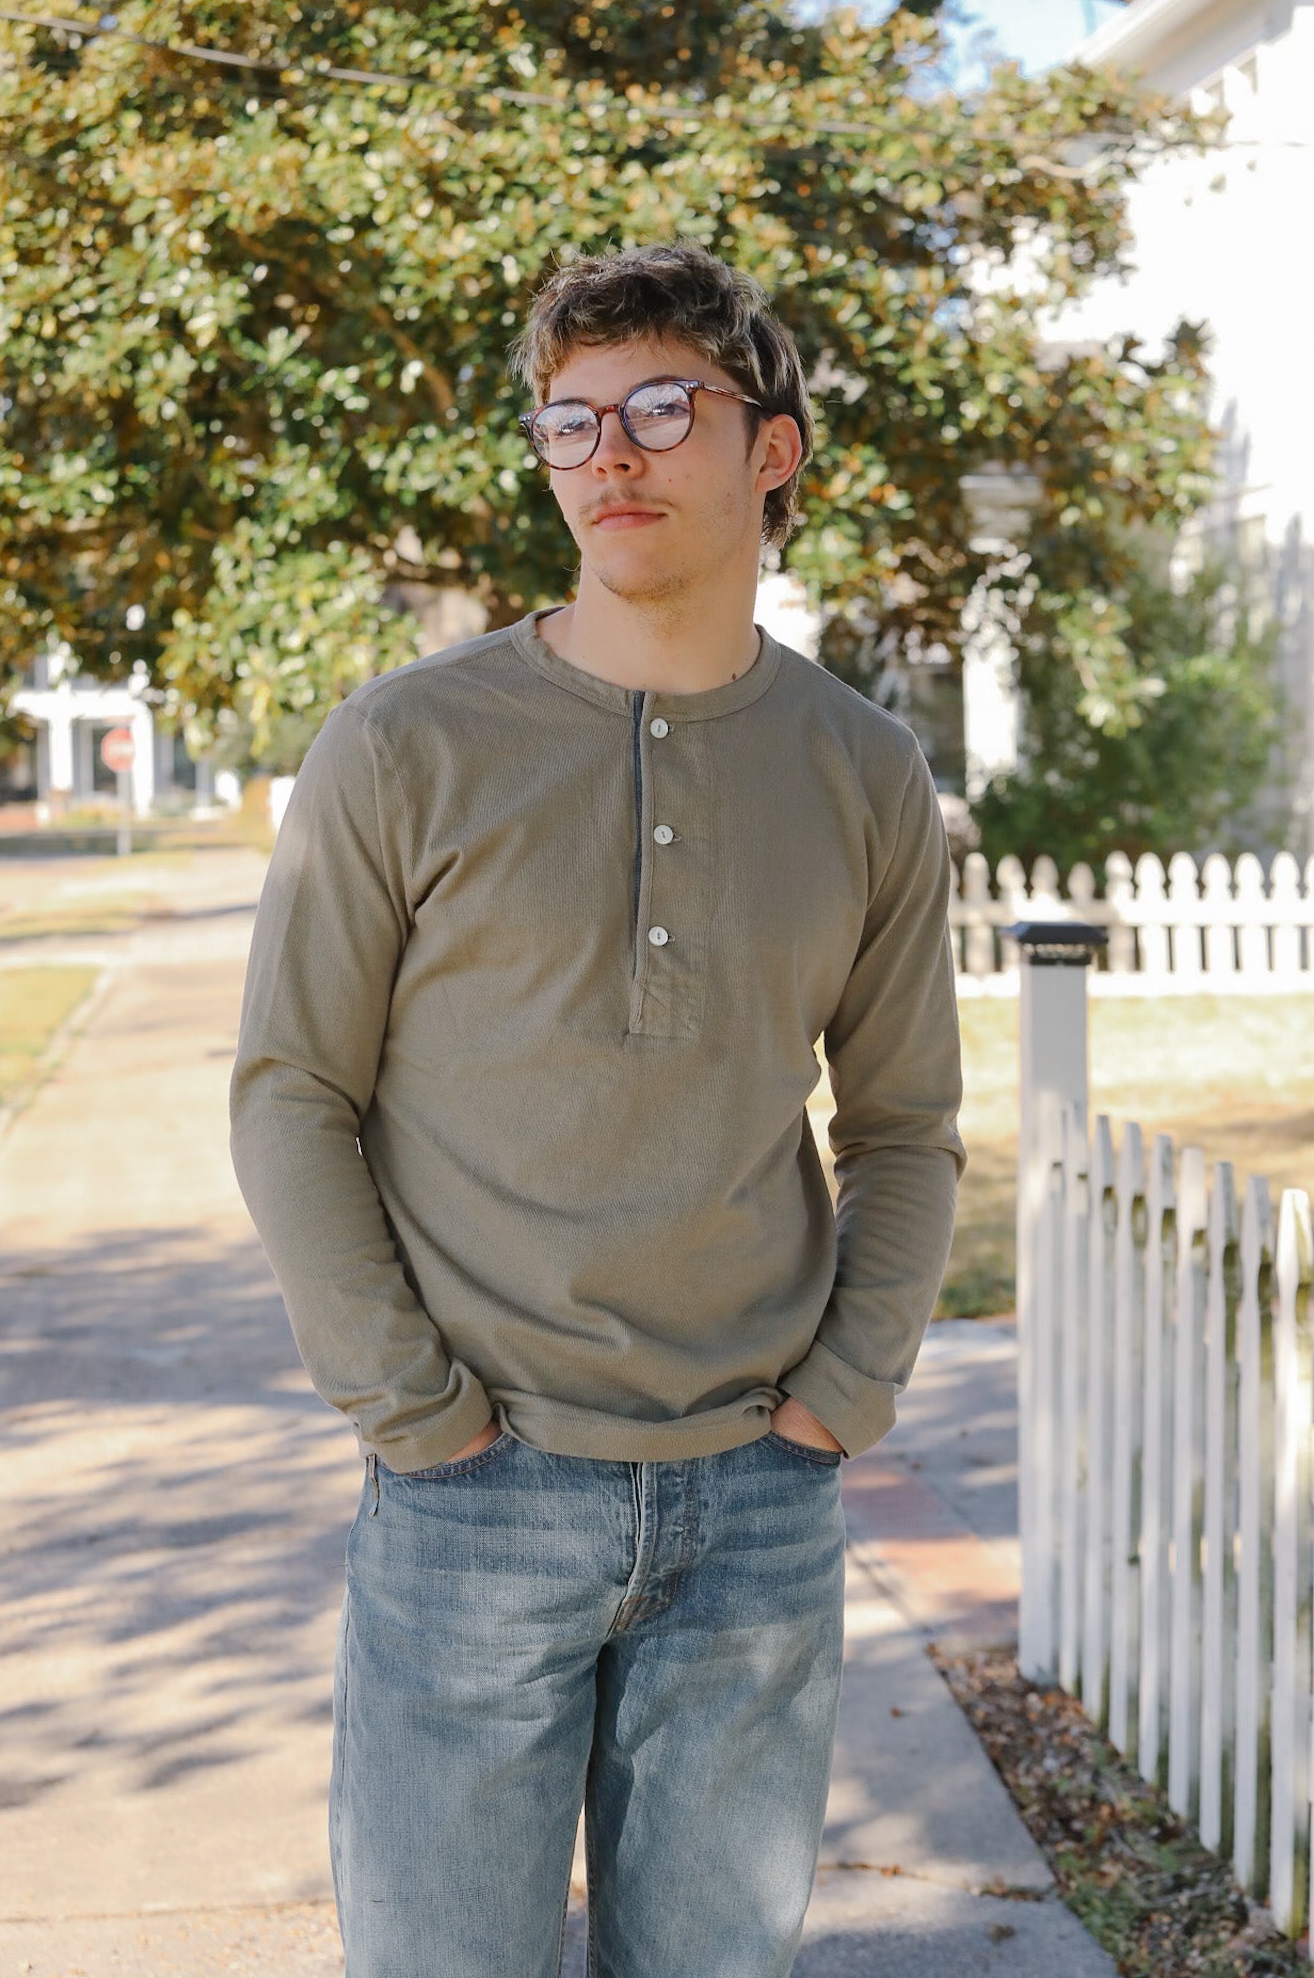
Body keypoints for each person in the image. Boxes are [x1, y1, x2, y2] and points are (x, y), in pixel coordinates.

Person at [229, 239, 966, 1978]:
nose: (606, 456)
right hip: (476, 1491)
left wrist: (839, 1402)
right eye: (567, 424)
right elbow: (291, 1094)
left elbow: (908, 1124)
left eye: (657, 408)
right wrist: (415, 1414)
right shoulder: (406, 744)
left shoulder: (863, 770)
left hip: (754, 1504)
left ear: (768, 451)